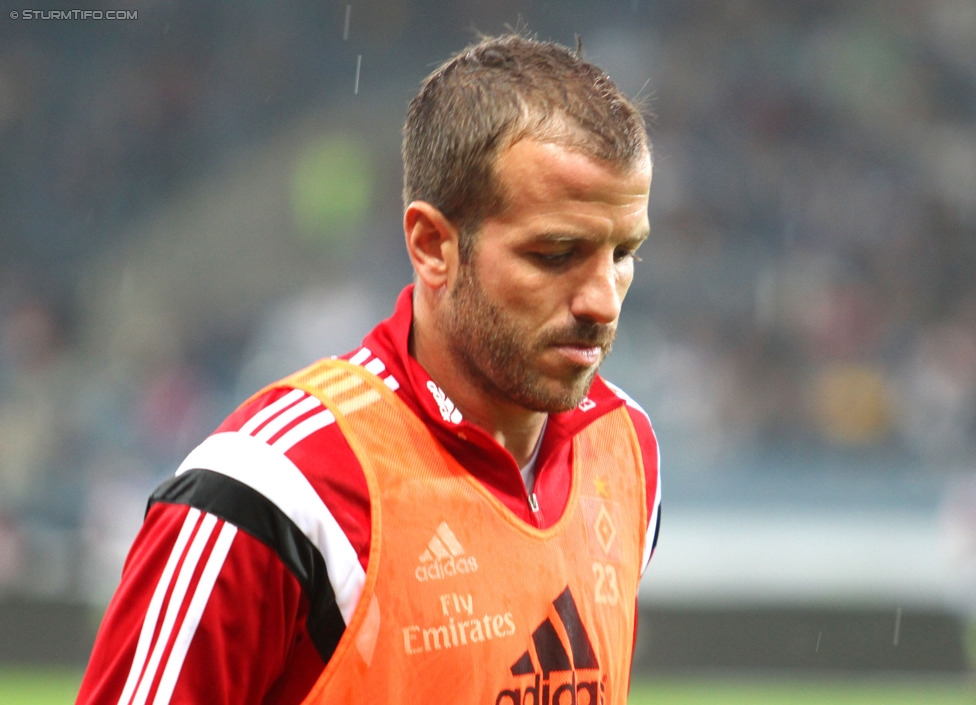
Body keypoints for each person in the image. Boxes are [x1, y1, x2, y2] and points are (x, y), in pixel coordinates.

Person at [76, 32, 661, 705]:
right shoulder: (269, 492)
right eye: (556, 253)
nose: (601, 299)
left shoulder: (626, 448)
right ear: (433, 245)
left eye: (624, 251)